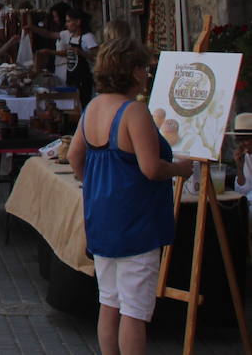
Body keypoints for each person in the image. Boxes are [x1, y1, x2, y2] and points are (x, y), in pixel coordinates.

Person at [68, 34, 191, 353]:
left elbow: (74, 156)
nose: (148, 73)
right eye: (145, 67)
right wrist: (180, 169)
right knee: (135, 311)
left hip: (103, 220)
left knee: (109, 303)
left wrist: (95, 187)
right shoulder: (133, 112)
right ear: (132, 70)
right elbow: (152, 168)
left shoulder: (94, 106)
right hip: (137, 221)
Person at [230, 114, 252, 202]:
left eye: (245, 139)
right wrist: (240, 167)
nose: (242, 144)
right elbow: (242, 191)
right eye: (239, 140)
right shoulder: (247, 157)